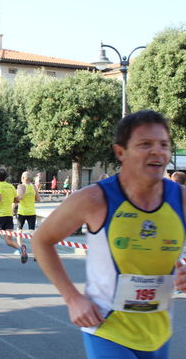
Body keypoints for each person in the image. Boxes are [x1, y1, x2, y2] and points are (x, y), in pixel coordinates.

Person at [32, 110, 186, 358]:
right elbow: (42, 240)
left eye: (164, 145)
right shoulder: (95, 199)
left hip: (158, 334)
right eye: (145, 144)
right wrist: (72, 298)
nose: (157, 151)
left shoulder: (180, 198)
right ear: (120, 152)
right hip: (107, 329)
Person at [0, 168, 28, 270]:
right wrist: (21, 194)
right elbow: (17, 200)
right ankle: (20, 248)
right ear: (6, 177)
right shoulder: (11, 187)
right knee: (8, 240)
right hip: (8, 216)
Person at [15, 171, 41, 258]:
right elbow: (38, 199)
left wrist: (13, 200)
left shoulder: (21, 186)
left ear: (22, 178)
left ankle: (21, 249)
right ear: (30, 178)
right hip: (32, 212)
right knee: (32, 233)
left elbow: (20, 197)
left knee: (19, 231)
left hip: (22, 212)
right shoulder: (33, 186)